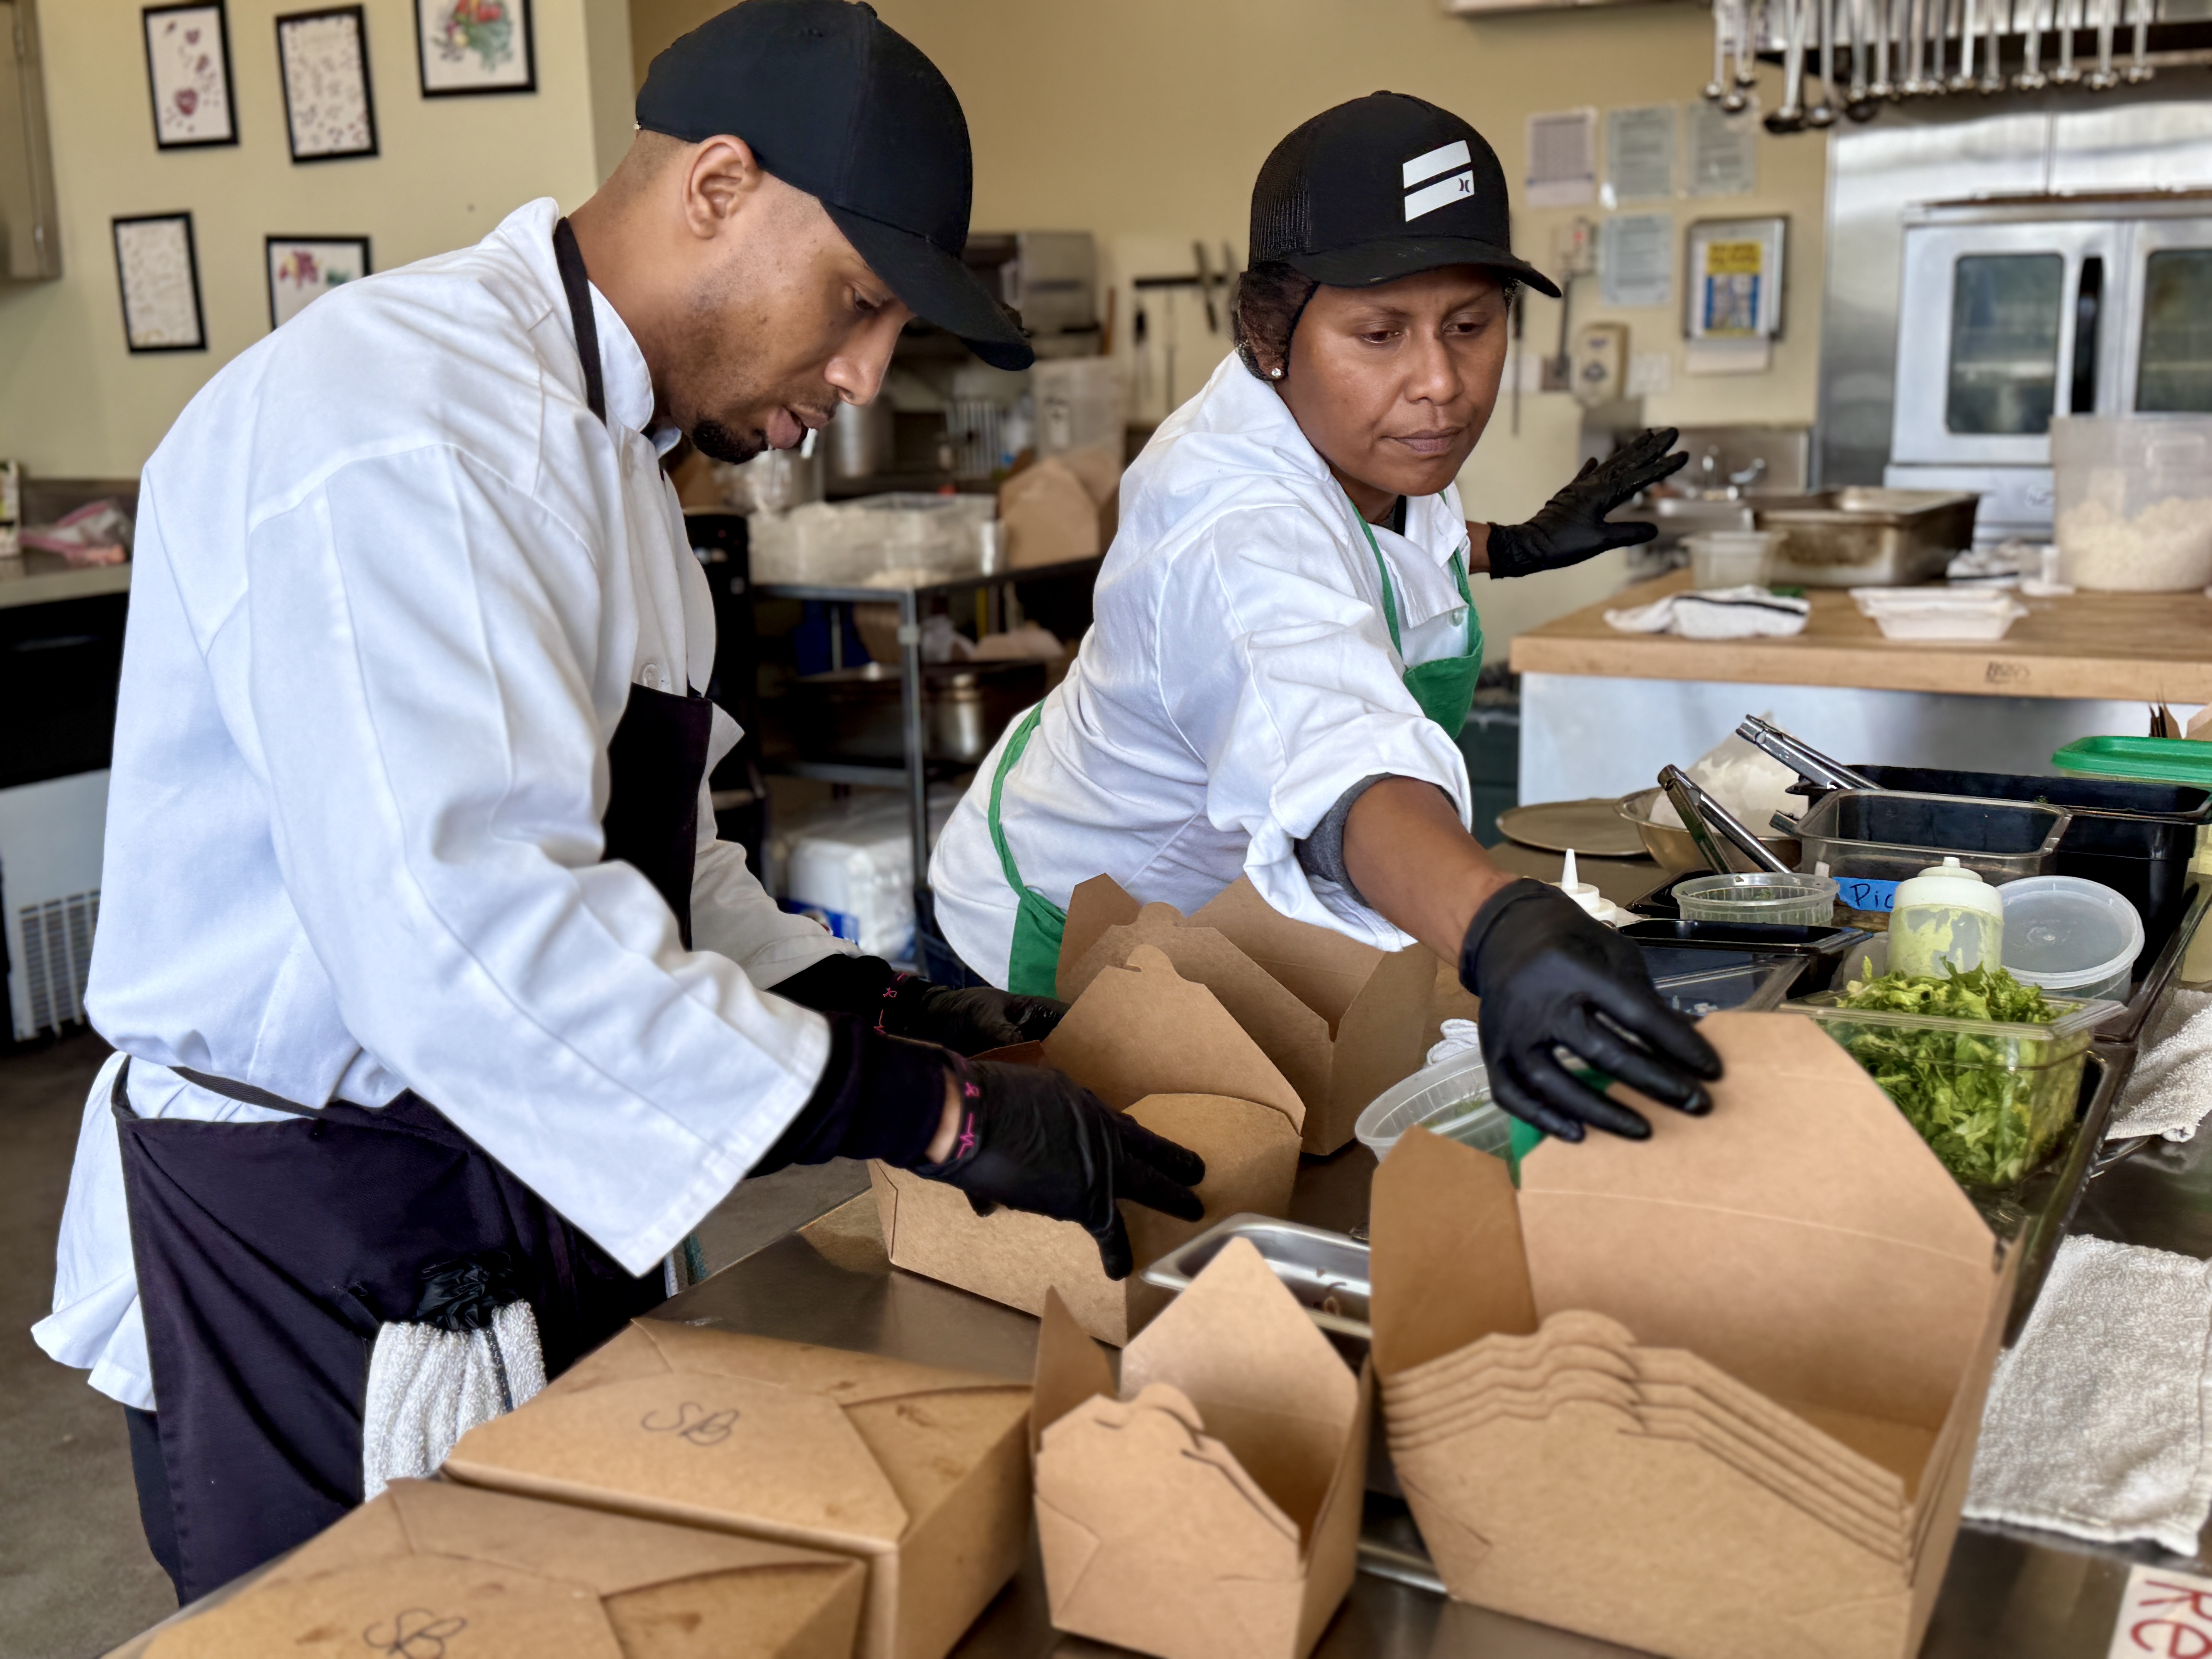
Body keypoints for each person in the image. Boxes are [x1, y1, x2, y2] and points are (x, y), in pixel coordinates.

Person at [34, 0, 1202, 1606]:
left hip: (508, 1186)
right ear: (717, 185)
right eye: (856, 305)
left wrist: (900, 1003)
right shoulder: (402, 432)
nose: (864, 377)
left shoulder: (617, 462)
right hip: (323, 1240)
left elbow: (667, 876)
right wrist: (921, 1113)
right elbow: (469, 934)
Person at [931, 93, 1721, 1144]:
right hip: (1049, 931)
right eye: (1381, 332)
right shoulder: (1232, 523)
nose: (1439, 383)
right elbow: (1341, 756)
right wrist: (1501, 927)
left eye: (1470, 326)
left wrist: (1505, 545)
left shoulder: (1369, 442)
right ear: (1272, 333)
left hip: (1215, 919)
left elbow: (1360, 553)